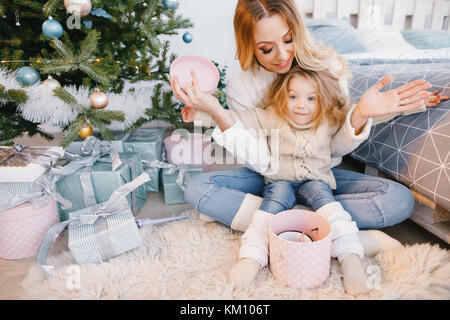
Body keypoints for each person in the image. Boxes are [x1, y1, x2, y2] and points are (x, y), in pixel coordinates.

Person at [170, 0, 447, 293]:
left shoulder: (326, 69)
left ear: (298, 32)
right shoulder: (243, 86)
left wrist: (361, 114)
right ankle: (335, 232)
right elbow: (263, 162)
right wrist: (212, 111)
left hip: (320, 173)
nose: (283, 55)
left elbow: (335, 148)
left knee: (399, 200)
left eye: (288, 40)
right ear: (249, 44)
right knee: (198, 188)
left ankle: (281, 228)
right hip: (271, 175)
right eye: (266, 49)